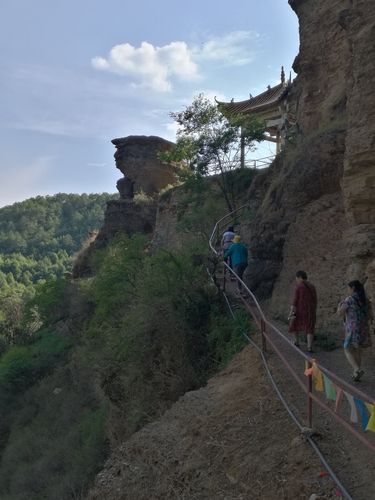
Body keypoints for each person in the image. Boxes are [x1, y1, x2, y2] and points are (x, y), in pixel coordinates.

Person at [337, 280, 372, 382]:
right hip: (363, 329)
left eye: (348, 288)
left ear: (353, 288)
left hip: (352, 329)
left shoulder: (349, 299)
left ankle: (357, 369)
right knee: (358, 351)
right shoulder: (365, 300)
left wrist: (339, 306)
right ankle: (356, 373)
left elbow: (340, 313)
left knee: (347, 349)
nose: (348, 290)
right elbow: (370, 316)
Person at [288, 270, 317, 353]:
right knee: (310, 327)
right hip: (310, 310)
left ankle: (296, 342)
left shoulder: (299, 286)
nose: (296, 280)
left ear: (300, 277)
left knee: (293, 324)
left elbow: (295, 300)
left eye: (297, 278)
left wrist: (291, 312)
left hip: (300, 310)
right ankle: (309, 347)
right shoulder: (312, 286)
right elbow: (315, 299)